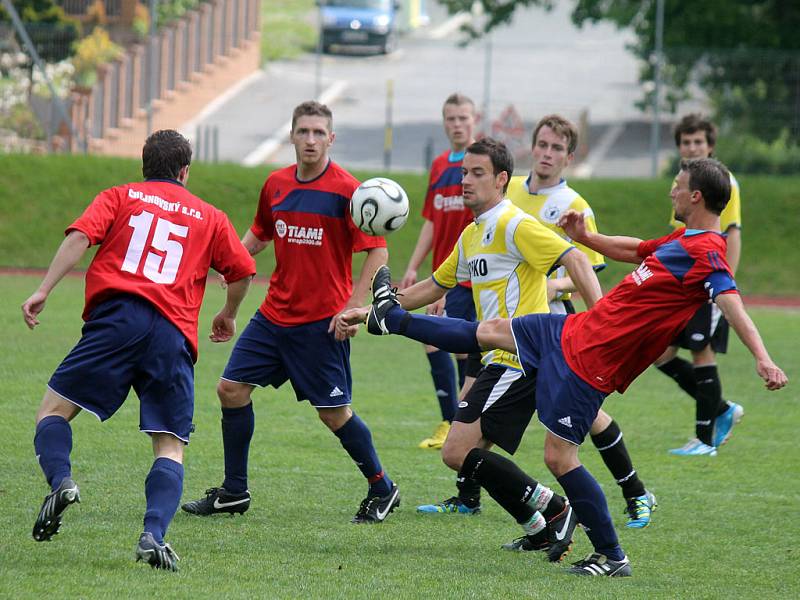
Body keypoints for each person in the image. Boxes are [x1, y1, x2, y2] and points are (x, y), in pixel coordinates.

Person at [348, 156, 787, 576]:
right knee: (492, 330)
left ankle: (612, 555)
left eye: (678, 183)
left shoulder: (709, 251)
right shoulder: (682, 240)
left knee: (560, 457)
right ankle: (394, 319)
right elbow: (635, 248)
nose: (671, 188)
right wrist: (589, 237)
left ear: (695, 197)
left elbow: (731, 302)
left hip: (592, 359)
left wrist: (763, 358)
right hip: (574, 330)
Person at [339, 137, 605, 563]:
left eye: (477, 173)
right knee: (467, 454)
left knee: (458, 451)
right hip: (495, 357)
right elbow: (431, 288)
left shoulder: (513, 224)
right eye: (464, 172)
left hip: (522, 357)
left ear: (501, 179)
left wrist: (600, 322)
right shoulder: (471, 234)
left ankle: (555, 508)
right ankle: (539, 526)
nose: (466, 181)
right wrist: (365, 310)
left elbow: (575, 259)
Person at [22, 129, 256, 571]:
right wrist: (228, 312)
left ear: (144, 165)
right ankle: (153, 534)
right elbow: (242, 270)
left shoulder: (120, 196)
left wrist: (43, 290)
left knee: (53, 411)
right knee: (170, 445)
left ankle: (62, 481)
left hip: (115, 321)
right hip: (172, 334)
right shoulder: (210, 216)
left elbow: (78, 239)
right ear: (185, 171)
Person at [181, 101, 399, 524]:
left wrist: (353, 307)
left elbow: (377, 250)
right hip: (273, 315)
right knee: (230, 389)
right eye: (304, 132)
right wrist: (235, 261)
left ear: (331, 138)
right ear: (292, 136)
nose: (311, 140)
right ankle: (234, 491)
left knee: (334, 414)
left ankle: (382, 488)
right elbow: (261, 234)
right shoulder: (276, 185)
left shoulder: (348, 191)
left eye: (320, 133)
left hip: (321, 322)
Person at [507, 115, 656, 527]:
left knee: (582, 417)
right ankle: (469, 494)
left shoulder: (574, 206)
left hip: (556, 327)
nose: (547, 154)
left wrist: (553, 288)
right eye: (542, 144)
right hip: (513, 323)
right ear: (532, 147)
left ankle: (634, 492)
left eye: (557, 148)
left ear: (569, 158)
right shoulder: (511, 191)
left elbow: (589, 269)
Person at [655, 114, 744, 455]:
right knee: (660, 354)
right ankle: (720, 408)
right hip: (684, 284)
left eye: (698, 142)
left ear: (710, 146)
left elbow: (731, 233)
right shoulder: (683, 185)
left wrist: (721, 288)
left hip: (706, 284)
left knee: (701, 351)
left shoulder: (724, 183)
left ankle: (706, 439)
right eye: (686, 142)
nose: (692, 147)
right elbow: (680, 238)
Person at [401, 93, 477, 451]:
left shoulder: (480, 165)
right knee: (442, 344)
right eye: (451, 118)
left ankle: (458, 423)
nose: (457, 124)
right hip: (440, 275)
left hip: (467, 275)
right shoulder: (439, 165)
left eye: (463, 118)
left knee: (452, 344)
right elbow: (431, 221)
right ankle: (455, 420)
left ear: (475, 119)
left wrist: (446, 283)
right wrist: (414, 265)